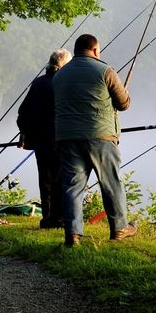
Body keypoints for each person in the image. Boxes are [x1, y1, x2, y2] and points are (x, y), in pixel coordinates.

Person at [53, 33, 138, 247]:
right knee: (111, 183)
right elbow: (123, 104)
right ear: (95, 50)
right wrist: (125, 94)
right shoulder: (105, 71)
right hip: (100, 136)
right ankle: (119, 228)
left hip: (66, 137)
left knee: (73, 186)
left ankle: (72, 234)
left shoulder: (60, 75)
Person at [17, 48, 72, 229]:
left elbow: (23, 113)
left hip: (40, 142)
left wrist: (24, 132)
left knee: (45, 181)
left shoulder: (38, 83)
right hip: (59, 140)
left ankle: (47, 217)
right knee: (60, 181)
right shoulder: (62, 84)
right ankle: (58, 219)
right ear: (64, 65)